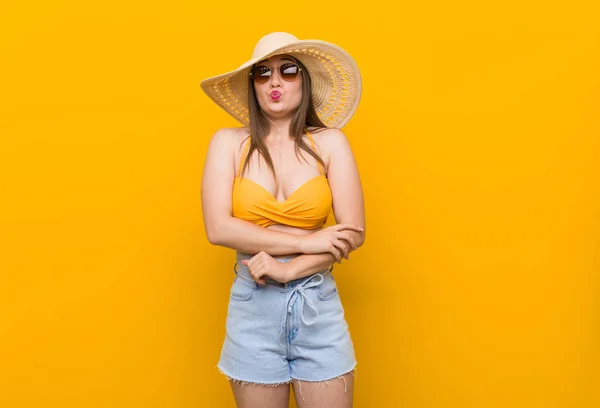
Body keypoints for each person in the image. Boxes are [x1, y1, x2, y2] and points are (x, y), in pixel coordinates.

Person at [200, 32, 366, 408]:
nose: (275, 81)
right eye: (263, 73)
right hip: (252, 306)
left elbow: (352, 233)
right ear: (254, 86)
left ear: (304, 82)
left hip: (316, 304)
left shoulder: (330, 142)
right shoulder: (228, 143)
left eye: (287, 70)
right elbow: (218, 228)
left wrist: (289, 270)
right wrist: (307, 241)